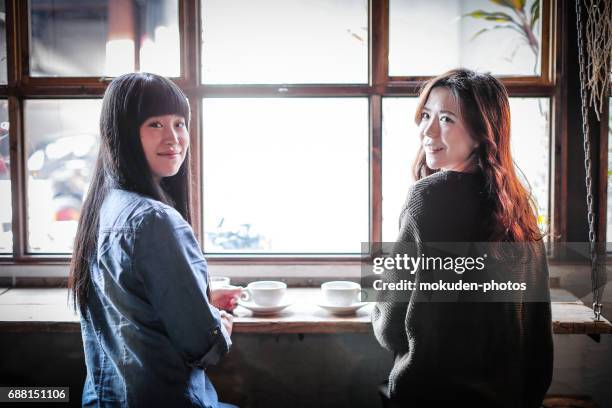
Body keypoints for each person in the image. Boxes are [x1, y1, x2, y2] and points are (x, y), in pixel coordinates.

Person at [372, 68, 553, 407]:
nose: (427, 130)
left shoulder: (427, 197)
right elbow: (537, 328)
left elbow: (389, 324)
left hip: (433, 397)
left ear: (482, 132)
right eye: (426, 115)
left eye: (447, 119)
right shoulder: (518, 202)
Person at [68, 72, 241, 407]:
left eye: (179, 123)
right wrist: (218, 323)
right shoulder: (154, 219)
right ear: (123, 134)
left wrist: (200, 297)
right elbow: (204, 347)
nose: (174, 138)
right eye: (155, 125)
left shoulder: (103, 205)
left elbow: (132, 305)